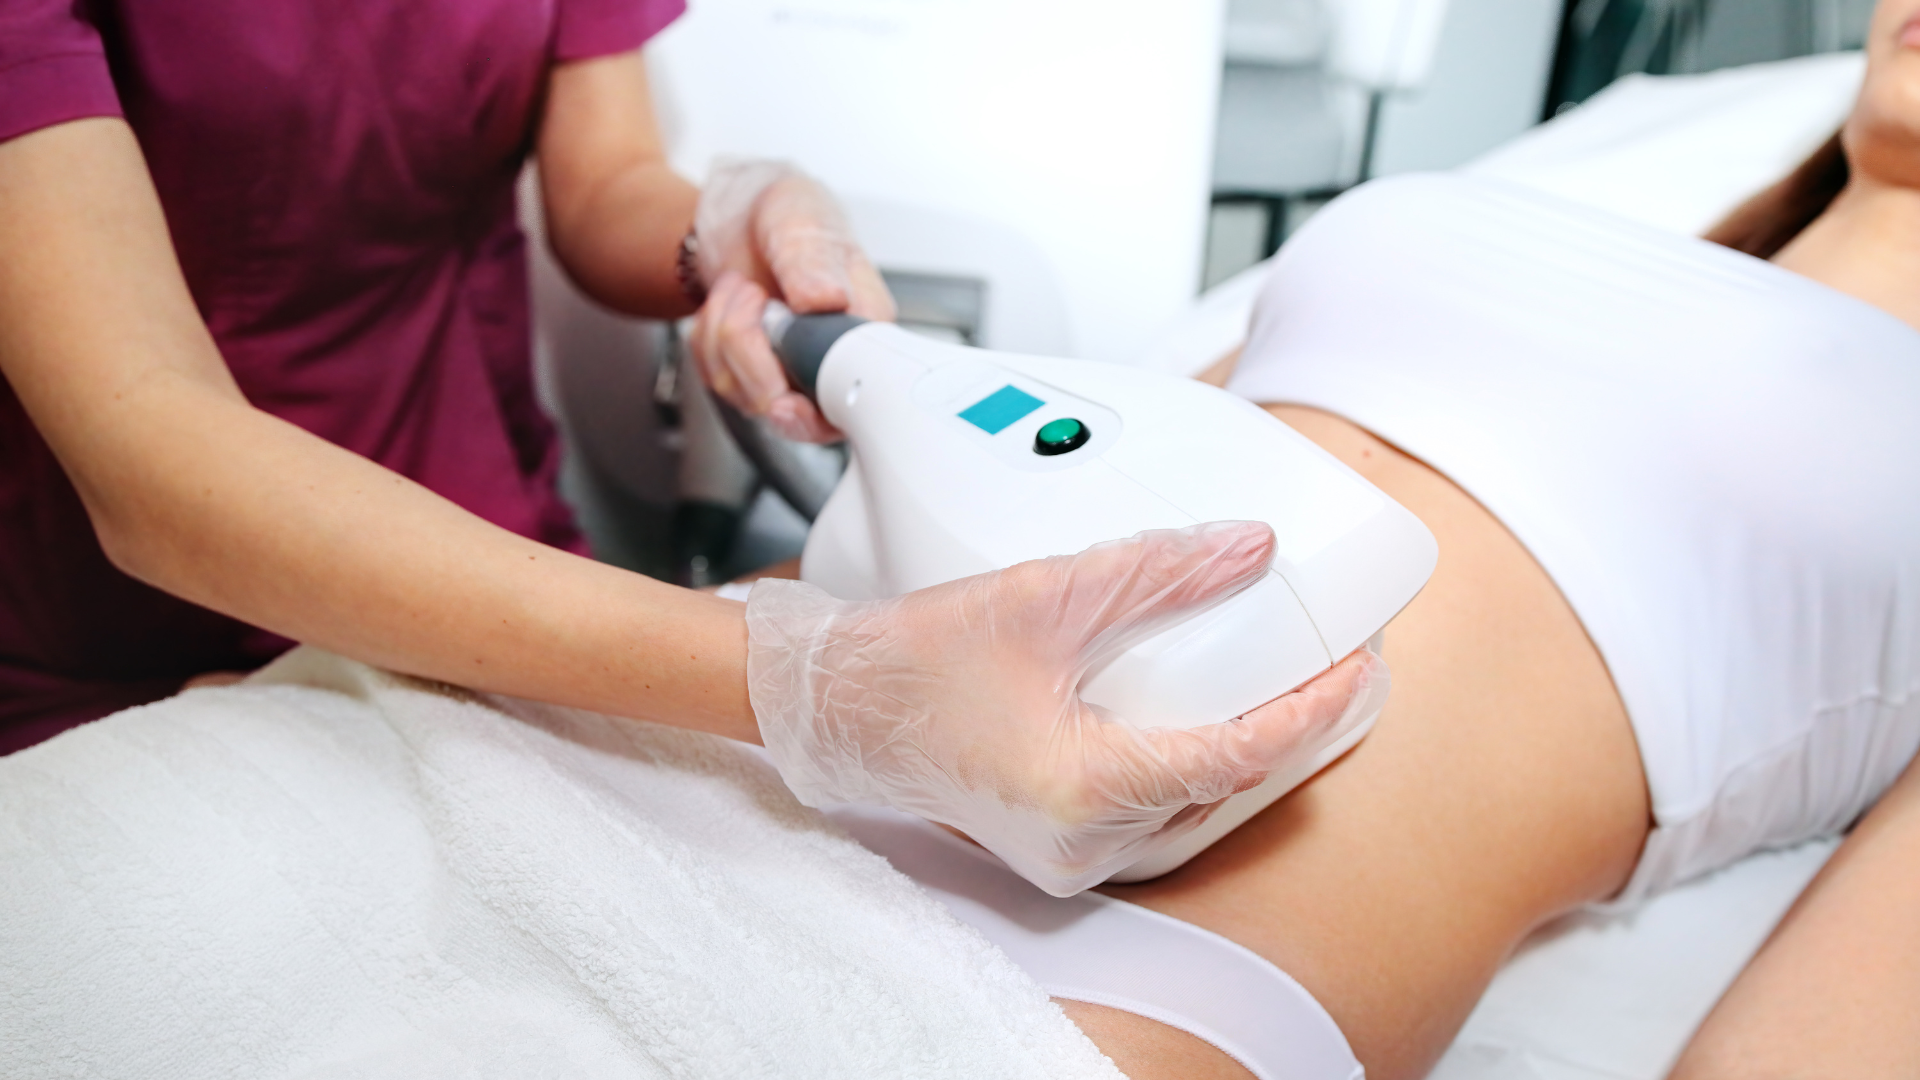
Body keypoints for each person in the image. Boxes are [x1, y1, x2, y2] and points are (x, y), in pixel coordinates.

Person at [0, 0, 1365, 893]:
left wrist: (724, 223)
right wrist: (810, 686)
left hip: (497, 556)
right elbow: (146, 449)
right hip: (124, 621)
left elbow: (598, 187)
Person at [852, 6, 1918, 1076]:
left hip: (1128, 981)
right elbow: (1055, 475)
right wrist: (765, 662)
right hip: (817, 750)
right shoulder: (1528, 231)